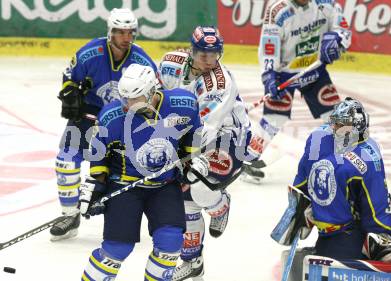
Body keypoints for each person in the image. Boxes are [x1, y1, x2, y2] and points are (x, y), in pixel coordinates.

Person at [79, 64, 206, 281]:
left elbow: (192, 134)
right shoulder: (112, 116)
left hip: (164, 186)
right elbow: (98, 155)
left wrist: (191, 162)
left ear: (150, 92)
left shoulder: (184, 104)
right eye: (124, 98)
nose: (127, 105)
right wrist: (96, 187)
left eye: (134, 99)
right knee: (117, 249)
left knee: (170, 242)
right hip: (124, 187)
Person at [274, 97, 391, 281]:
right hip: (327, 231)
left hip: (349, 233)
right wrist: (299, 206)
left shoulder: (367, 156)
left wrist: (380, 234)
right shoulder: (319, 138)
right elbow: (303, 176)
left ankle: (376, 246)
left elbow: (377, 201)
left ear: (355, 129)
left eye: (341, 125)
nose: (334, 129)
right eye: (335, 123)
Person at [51, 8, 157, 241]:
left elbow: (155, 92)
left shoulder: (141, 60)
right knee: (65, 163)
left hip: (120, 121)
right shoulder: (90, 53)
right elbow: (70, 76)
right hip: (87, 117)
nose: (126, 38)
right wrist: (69, 93)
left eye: (130, 33)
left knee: (116, 174)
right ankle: (69, 215)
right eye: (121, 32)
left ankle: (131, 218)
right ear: (111, 32)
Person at [158, 26, 253, 281]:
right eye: (203, 54)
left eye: (214, 55)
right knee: (185, 199)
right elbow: (156, 100)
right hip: (188, 135)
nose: (209, 61)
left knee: (198, 186)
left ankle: (220, 206)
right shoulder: (170, 64)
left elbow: (204, 130)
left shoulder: (218, 84)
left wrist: (176, 154)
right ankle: (193, 261)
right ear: (192, 49)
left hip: (228, 139)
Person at [241, 0, 352, 183]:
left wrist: (337, 39)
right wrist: (269, 75)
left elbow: (343, 29)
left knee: (334, 114)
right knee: (275, 118)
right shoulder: (278, 10)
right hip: (284, 73)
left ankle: (347, 160)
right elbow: (269, 45)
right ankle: (248, 160)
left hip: (314, 70)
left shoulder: (327, 4)